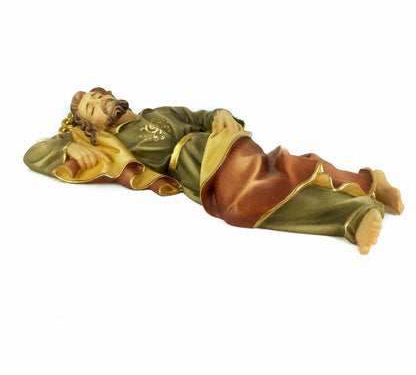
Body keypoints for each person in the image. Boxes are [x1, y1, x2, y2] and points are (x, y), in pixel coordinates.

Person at [24, 87, 404, 254]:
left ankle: (357, 208)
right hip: (196, 173)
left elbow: (204, 116)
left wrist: (222, 113)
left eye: (99, 96)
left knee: (247, 196)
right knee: (261, 188)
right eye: (92, 109)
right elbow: (35, 154)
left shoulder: (161, 112)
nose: (102, 103)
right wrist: (71, 143)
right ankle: (364, 192)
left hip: (217, 147)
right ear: (92, 126)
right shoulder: (113, 145)